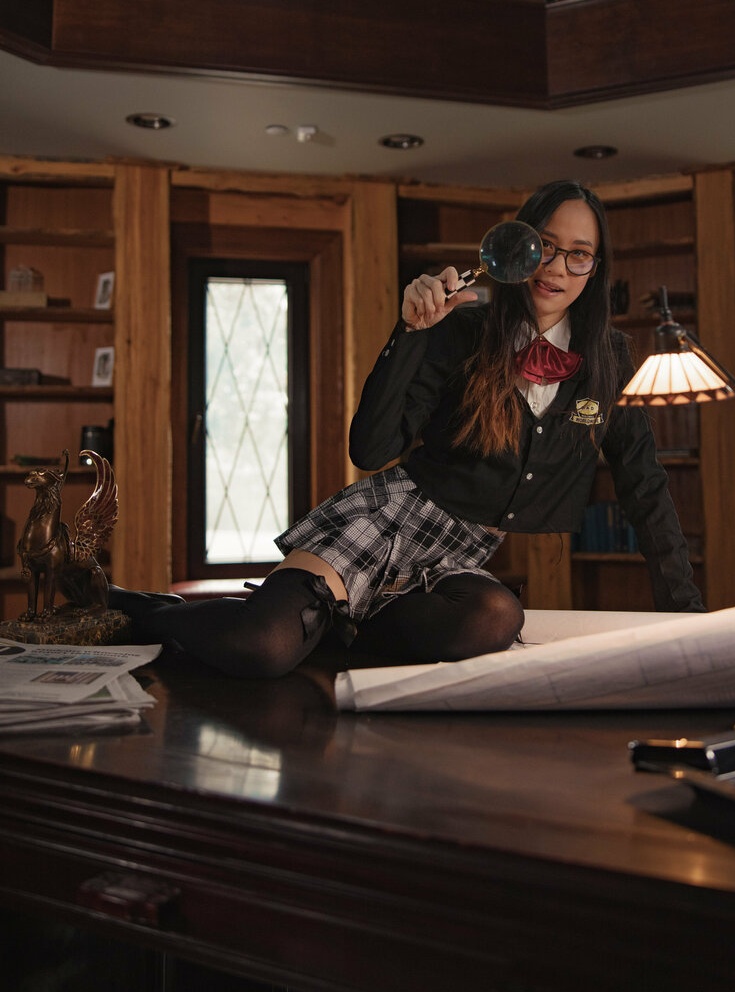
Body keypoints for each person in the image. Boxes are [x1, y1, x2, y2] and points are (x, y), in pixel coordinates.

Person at [110, 179, 704, 678]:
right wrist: (412, 334)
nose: (557, 268)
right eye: (544, 246)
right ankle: (143, 609)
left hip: (460, 554)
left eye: (579, 254)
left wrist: (689, 621)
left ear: (595, 269)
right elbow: (371, 449)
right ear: (516, 249)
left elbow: (645, 489)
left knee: (496, 617)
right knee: (263, 647)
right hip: (392, 518)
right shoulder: (461, 329)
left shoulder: (611, 361)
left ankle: (338, 626)